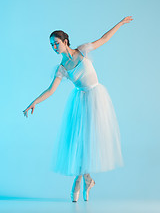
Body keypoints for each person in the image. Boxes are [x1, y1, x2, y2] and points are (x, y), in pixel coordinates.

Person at [23, 16, 133, 202]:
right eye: (51, 45)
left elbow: (103, 39)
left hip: (97, 98)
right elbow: (50, 90)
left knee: (90, 142)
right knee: (81, 144)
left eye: (56, 43)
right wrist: (34, 102)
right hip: (80, 102)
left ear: (65, 42)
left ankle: (81, 179)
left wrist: (120, 24)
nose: (54, 47)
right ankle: (85, 178)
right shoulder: (62, 68)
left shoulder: (82, 50)